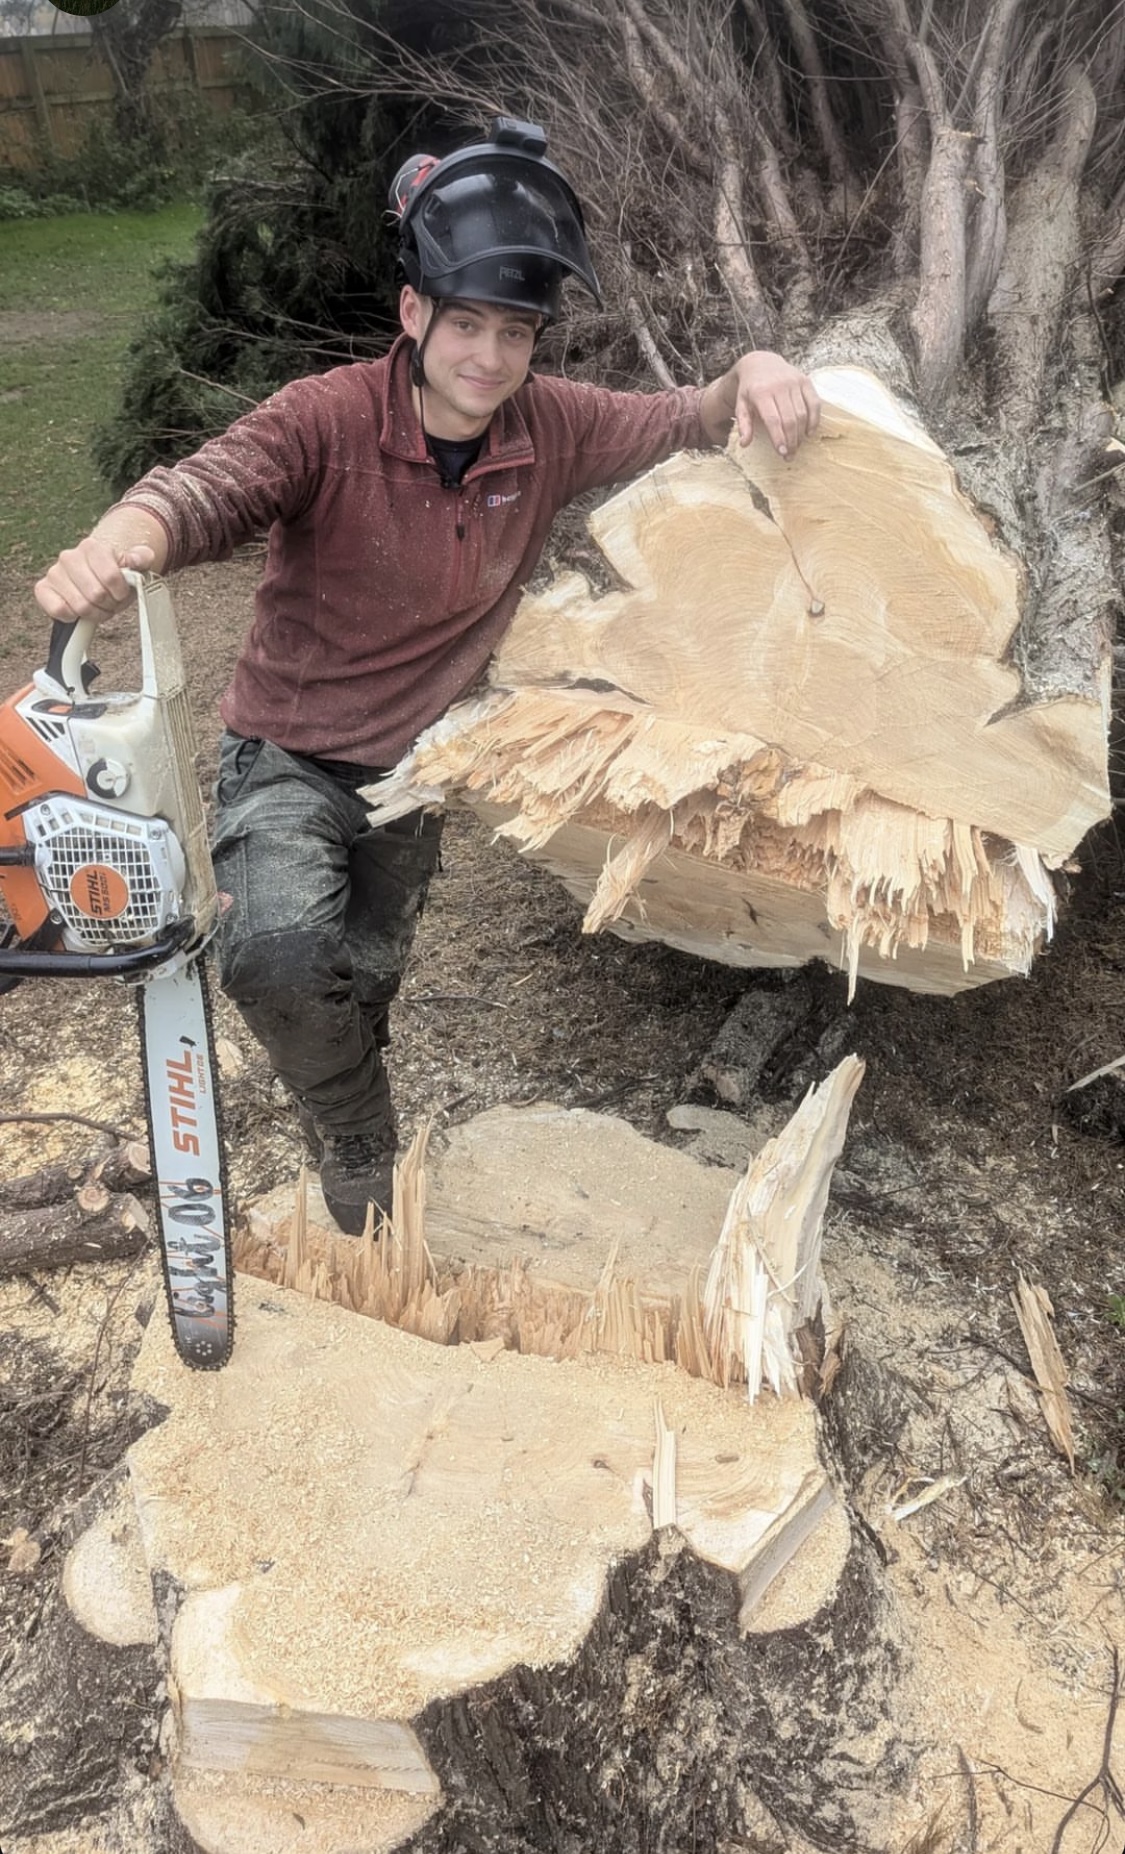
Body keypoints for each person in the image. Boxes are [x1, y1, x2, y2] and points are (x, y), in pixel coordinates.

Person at [34, 116, 821, 1234]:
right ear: (414, 314)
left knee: (362, 979)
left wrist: (762, 368)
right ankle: (359, 1137)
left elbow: (690, 413)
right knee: (274, 953)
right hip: (290, 749)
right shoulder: (327, 418)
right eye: (466, 324)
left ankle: (347, 1084)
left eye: (516, 331)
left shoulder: (552, 427)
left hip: (416, 771)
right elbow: (205, 488)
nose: (488, 357)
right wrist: (123, 542)